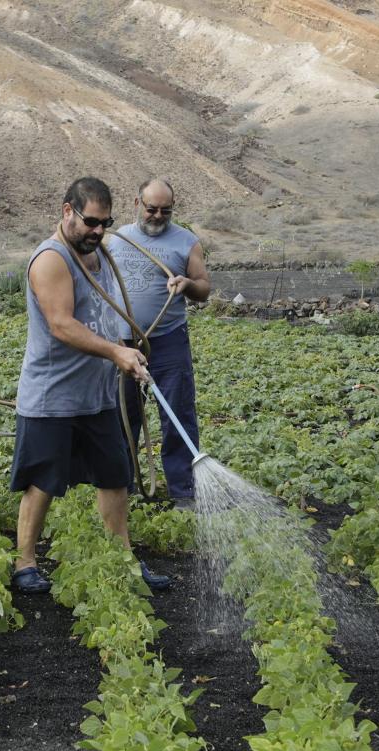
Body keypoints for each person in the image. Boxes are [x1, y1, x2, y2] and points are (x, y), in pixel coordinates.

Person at [9, 177, 172, 594]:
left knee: (115, 475)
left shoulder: (99, 256)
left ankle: (123, 561)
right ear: (68, 211)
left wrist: (126, 354)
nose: (98, 231)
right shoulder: (51, 260)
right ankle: (25, 563)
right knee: (42, 478)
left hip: (97, 393)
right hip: (53, 394)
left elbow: (103, 317)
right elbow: (62, 326)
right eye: (91, 221)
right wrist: (116, 353)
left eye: (105, 223)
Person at [106, 179, 210, 509]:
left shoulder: (186, 241)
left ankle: (182, 491)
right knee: (122, 415)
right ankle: (124, 484)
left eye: (165, 210)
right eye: (151, 209)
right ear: (137, 202)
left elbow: (204, 289)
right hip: (123, 343)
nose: (157, 215)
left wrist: (187, 284)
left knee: (177, 412)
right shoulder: (115, 239)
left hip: (168, 342)